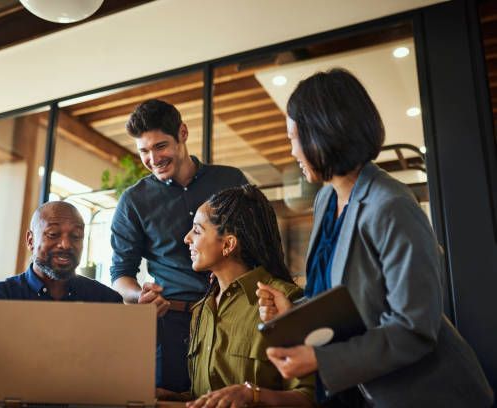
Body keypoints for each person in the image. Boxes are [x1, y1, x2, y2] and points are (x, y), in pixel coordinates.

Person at [256, 68, 493, 407]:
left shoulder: (391, 204)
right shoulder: (325, 199)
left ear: (323, 133)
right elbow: (347, 298)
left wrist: (322, 360)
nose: (291, 150)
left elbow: (414, 327)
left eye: (293, 137)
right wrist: (291, 310)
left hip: (423, 395)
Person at [110, 99, 248, 392]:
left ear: (182, 133)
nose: (153, 158)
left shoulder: (231, 181)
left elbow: (257, 247)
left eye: (160, 146)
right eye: (144, 151)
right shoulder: (133, 202)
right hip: (171, 326)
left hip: (233, 319)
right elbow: (120, 275)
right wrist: (139, 295)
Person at [160, 184, 313, 407]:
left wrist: (253, 395)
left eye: (197, 230)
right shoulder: (201, 310)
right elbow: (212, 393)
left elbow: (308, 398)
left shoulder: (283, 301)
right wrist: (175, 398)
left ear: (228, 244)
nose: (186, 238)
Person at [0, 201, 122, 398]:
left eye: (76, 236)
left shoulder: (107, 301)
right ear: (31, 240)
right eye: (53, 234)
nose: (66, 244)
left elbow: (119, 372)